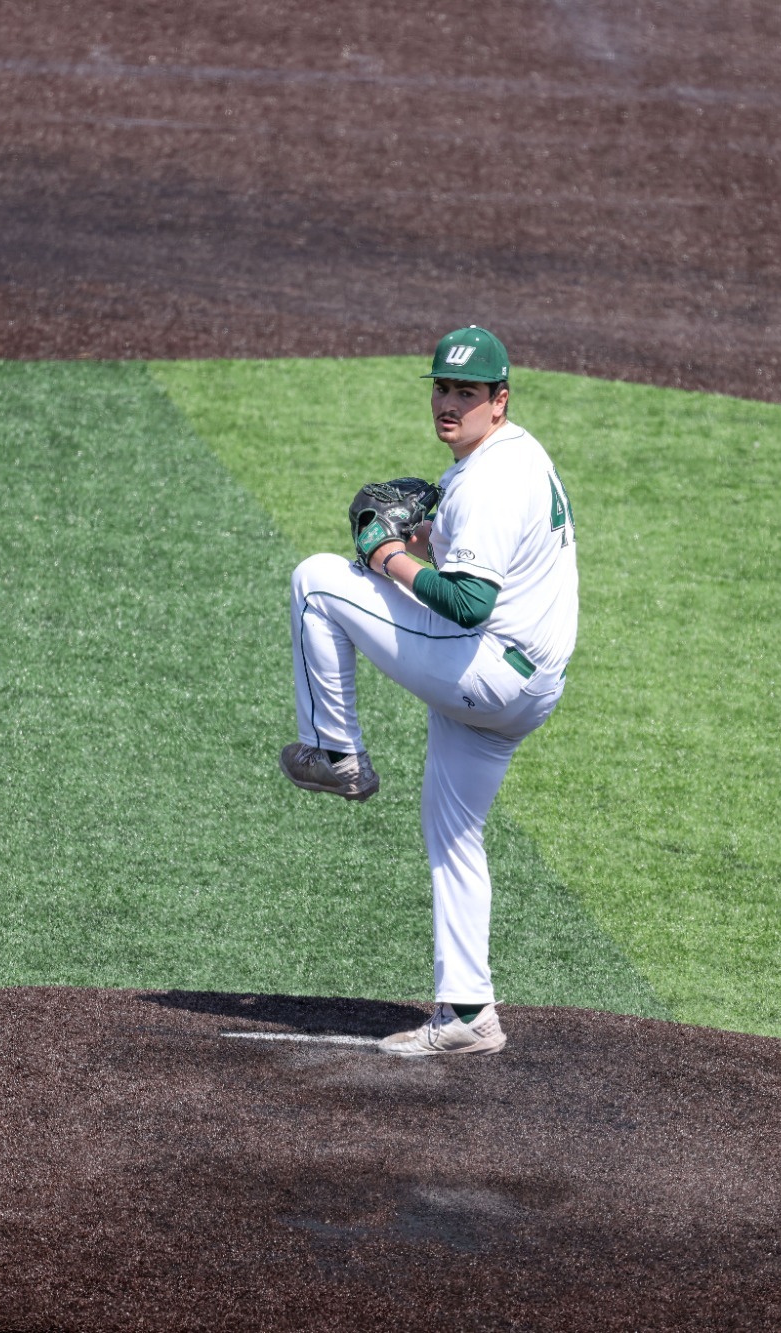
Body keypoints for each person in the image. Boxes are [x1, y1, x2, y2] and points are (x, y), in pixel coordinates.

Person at [278, 327, 579, 1057]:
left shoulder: (489, 482)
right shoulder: (519, 455)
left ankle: (335, 751)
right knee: (453, 833)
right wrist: (419, 546)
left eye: (466, 392)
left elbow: (469, 604)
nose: (449, 403)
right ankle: (469, 1013)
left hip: (489, 670)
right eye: (442, 387)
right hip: (527, 684)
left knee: (318, 581)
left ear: (499, 400)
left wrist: (386, 555)